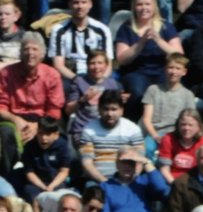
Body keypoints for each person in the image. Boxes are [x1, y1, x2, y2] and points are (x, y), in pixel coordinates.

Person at [0, 31, 64, 188]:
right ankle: (8, 178)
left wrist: (39, 126)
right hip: (12, 117)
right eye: (26, 49)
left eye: (35, 49)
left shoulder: (52, 75)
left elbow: (55, 109)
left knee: (54, 136)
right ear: (21, 52)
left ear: (42, 53)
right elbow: (1, 105)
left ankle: (48, 179)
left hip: (41, 119)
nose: (30, 53)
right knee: (6, 133)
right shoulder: (7, 73)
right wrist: (16, 120)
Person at [115, 0, 184, 120]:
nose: (143, 8)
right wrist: (141, 43)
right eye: (139, 4)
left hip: (161, 71)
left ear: (154, 6)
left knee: (169, 89)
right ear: (134, 7)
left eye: (147, 4)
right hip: (136, 73)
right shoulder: (126, 28)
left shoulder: (166, 27)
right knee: (138, 91)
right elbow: (122, 59)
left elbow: (179, 56)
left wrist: (159, 40)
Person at [47, 0, 113, 88]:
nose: (80, 6)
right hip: (70, 76)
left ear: (90, 4)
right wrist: (78, 81)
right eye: (76, 2)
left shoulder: (102, 30)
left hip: (96, 74)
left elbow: (108, 64)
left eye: (83, 2)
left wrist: (100, 81)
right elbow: (58, 65)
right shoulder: (58, 30)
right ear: (69, 4)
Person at [80, 89, 145, 184]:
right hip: (98, 180)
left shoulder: (132, 129)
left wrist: (128, 181)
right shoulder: (89, 130)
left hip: (128, 180)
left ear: (121, 110)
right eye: (105, 109)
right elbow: (87, 163)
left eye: (114, 109)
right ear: (99, 109)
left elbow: (140, 161)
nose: (109, 114)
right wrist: (105, 183)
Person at [98, 147, 171, 212]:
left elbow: (161, 188)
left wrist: (146, 162)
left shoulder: (143, 182)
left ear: (136, 164)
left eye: (131, 162)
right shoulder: (105, 186)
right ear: (117, 164)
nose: (127, 166)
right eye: (124, 162)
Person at [140, 53, 196, 159]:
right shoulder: (153, 90)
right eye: (171, 67)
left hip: (177, 135)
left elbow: (190, 121)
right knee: (146, 150)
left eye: (178, 68)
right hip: (155, 133)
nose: (173, 72)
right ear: (165, 69)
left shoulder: (188, 95)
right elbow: (146, 119)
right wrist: (155, 136)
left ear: (184, 72)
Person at [64, 49, 122, 150]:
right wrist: (83, 99)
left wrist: (122, 101)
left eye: (100, 63)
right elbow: (68, 110)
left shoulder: (112, 84)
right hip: (84, 130)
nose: (96, 67)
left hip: (107, 130)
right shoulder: (79, 81)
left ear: (106, 65)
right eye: (92, 63)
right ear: (87, 65)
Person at [21, 116, 70, 202]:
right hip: (36, 183)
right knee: (31, 195)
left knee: (60, 199)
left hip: (56, 182)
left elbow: (64, 171)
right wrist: (42, 187)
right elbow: (29, 172)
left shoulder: (63, 146)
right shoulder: (30, 147)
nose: (43, 138)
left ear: (56, 135)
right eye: (41, 133)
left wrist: (51, 186)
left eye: (48, 134)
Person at [157, 107, 203, 184]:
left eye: (190, 125)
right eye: (183, 124)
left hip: (195, 180)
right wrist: (175, 185)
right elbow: (164, 169)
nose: (186, 128)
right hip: (171, 179)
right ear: (178, 125)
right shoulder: (168, 139)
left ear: (198, 127)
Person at [0, 0, 23, 69]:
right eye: (0, 14)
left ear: (16, 16)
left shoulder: (24, 37)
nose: (3, 17)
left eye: (7, 14)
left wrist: (4, 65)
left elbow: (27, 61)